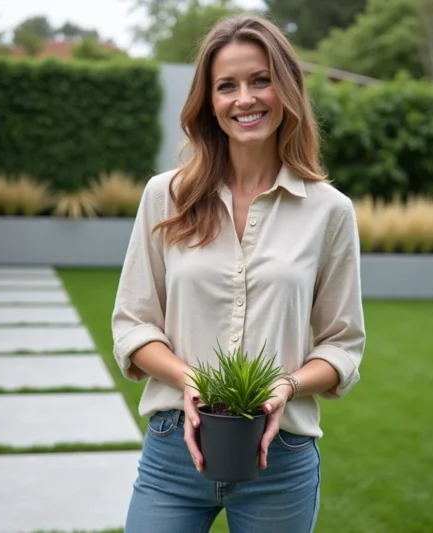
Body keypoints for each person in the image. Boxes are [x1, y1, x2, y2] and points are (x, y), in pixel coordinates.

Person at [111, 13, 366, 533]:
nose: (244, 99)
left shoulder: (330, 211)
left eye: (260, 80)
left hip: (282, 458)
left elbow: (342, 345)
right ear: (209, 102)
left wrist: (286, 386)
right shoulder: (166, 196)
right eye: (227, 86)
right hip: (174, 452)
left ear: (286, 89)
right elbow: (133, 326)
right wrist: (190, 381)